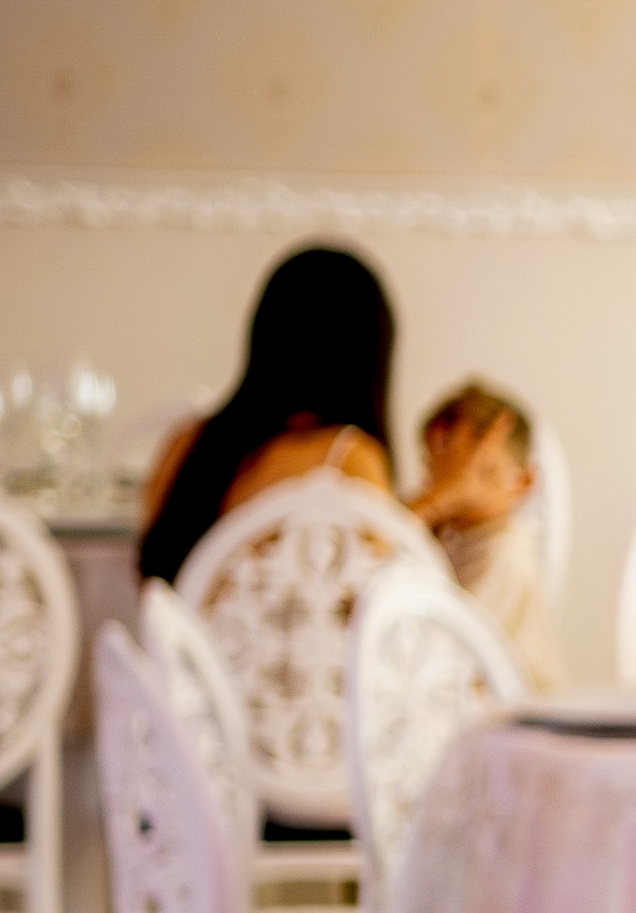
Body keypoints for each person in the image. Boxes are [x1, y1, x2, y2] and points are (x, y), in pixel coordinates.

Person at [134, 242, 399, 585]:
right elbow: (386, 588)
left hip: (172, 622)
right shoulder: (348, 456)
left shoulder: (185, 443)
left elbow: (152, 582)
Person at [410, 378, 551, 680]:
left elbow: (440, 651)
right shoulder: (447, 536)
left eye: (484, 472)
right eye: (440, 472)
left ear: (525, 482)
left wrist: (435, 503)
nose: (457, 489)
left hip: (512, 705)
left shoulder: (506, 553)